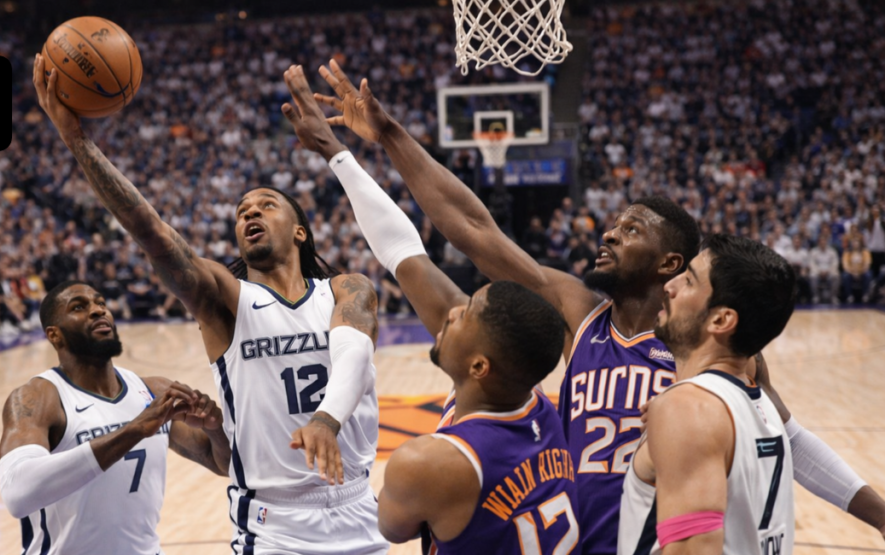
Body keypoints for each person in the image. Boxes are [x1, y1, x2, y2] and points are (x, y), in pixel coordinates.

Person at [312, 60, 885, 551]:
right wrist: (388, 134)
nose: (609, 235)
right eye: (613, 224)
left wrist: (878, 515)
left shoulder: (708, 352)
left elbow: (792, 439)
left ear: (670, 265)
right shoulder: (580, 313)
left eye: (631, 229)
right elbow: (471, 227)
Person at [33, 55, 388, 554]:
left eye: (266, 204)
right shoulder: (226, 299)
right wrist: (79, 143)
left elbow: (354, 353)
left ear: (300, 230)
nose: (250, 213)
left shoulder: (348, 290)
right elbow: (153, 234)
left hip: (357, 510)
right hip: (273, 525)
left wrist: (326, 420)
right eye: (242, 212)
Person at [281, 65, 580, 554]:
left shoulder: (431, 463)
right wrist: (337, 153)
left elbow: (391, 526)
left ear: (479, 365)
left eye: (467, 314)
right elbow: (404, 252)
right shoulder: (538, 409)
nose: (453, 311)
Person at [0, 281, 230, 554]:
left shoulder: (152, 392)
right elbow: (17, 494)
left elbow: (221, 463)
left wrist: (214, 428)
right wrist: (133, 430)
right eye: (79, 307)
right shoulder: (37, 398)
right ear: (54, 335)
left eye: (101, 303)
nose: (97, 311)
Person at [619, 235, 796, 554]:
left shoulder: (688, 409)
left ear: (721, 319)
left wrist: (677, 414)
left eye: (688, 280)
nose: (669, 287)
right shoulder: (761, 406)